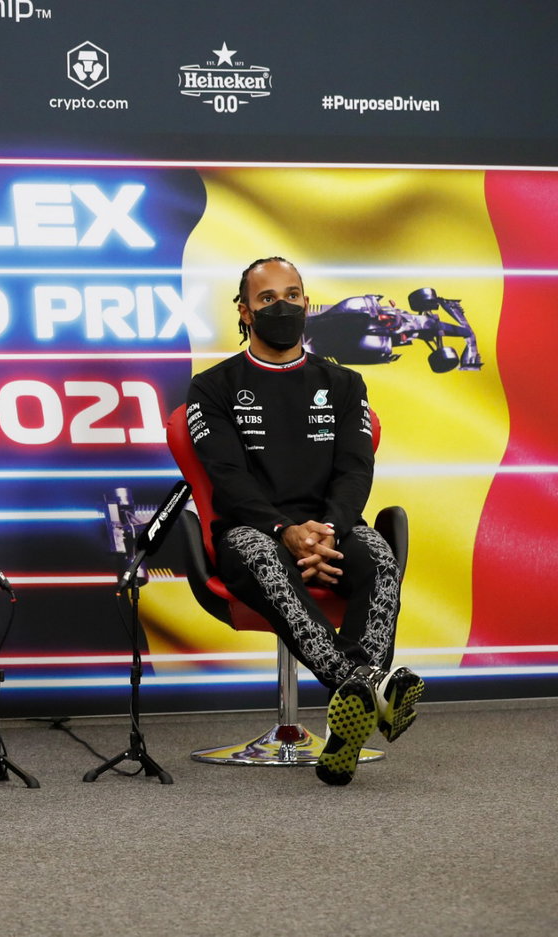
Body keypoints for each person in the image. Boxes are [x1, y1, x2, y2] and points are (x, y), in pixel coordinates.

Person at [186, 256, 423, 785]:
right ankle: (368, 687)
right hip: (252, 532)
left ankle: (346, 733)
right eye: (268, 299)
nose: (283, 307)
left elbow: (356, 469)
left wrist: (331, 528)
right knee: (262, 553)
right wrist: (283, 530)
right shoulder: (212, 386)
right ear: (245, 312)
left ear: (307, 305)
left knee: (380, 558)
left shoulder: (344, 383)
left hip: (332, 527)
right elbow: (227, 477)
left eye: (293, 295)